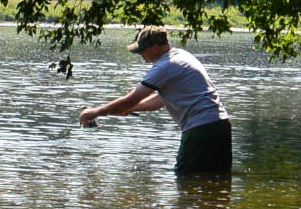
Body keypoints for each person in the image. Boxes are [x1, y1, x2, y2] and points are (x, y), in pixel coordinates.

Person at [77, 26, 232, 174]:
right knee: (216, 179)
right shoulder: (182, 56)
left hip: (200, 129)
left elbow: (132, 98)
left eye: (142, 50)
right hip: (220, 126)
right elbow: (160, 100)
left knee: (185, 178)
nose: (140, 54)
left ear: (156, 47)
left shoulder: (164, 66)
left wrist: (93, 113)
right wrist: (130, 109)